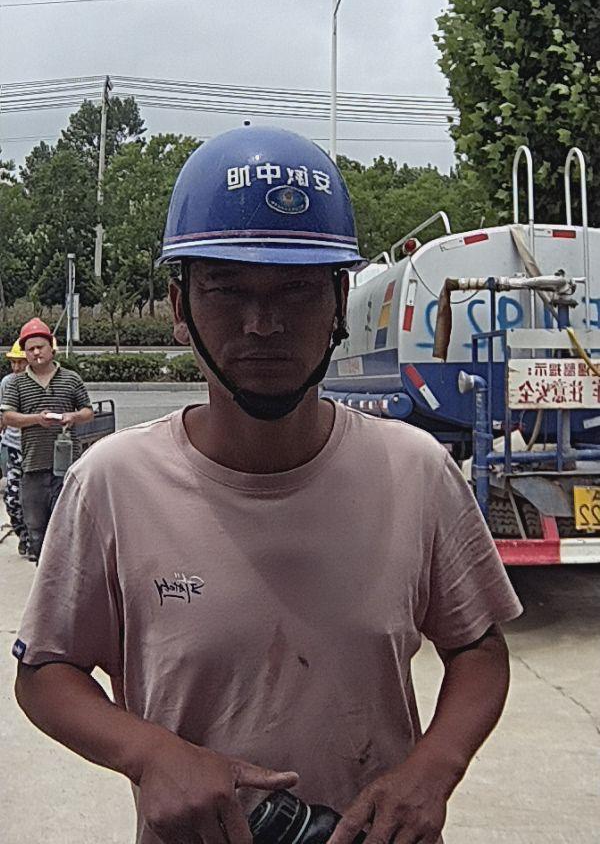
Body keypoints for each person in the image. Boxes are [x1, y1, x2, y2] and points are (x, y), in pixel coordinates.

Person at [13, 127, 522, 844]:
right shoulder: (113, 483)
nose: (263, 324)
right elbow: (46, 670)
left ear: (338, 301)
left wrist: (433, 769)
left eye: (297, 289)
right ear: (180, 306)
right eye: (226, 290)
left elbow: (478, 648)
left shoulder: (414, 471)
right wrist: (150, 754)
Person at [1, 319, 93, 562]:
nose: (35, 352)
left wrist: (73, 416)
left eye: (40, 347)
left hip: (67, 466)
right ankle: (43, 571)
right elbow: (8, 417)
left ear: (51, 348)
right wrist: (36, 419)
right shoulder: (16, 383)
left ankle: (67, 572)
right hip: (33, 464)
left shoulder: (71, 379)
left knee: (66, 525)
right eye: (30, 349)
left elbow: (88, 411)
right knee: (36, 528)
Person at [0, 340, 29, 556]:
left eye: (21, 363)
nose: (17, 368)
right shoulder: (7, 383)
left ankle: (36, 539)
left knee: (38, 499)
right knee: (12, 498)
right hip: (13, 448)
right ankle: (23, 535)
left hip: (37, 449)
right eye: (14, 363)